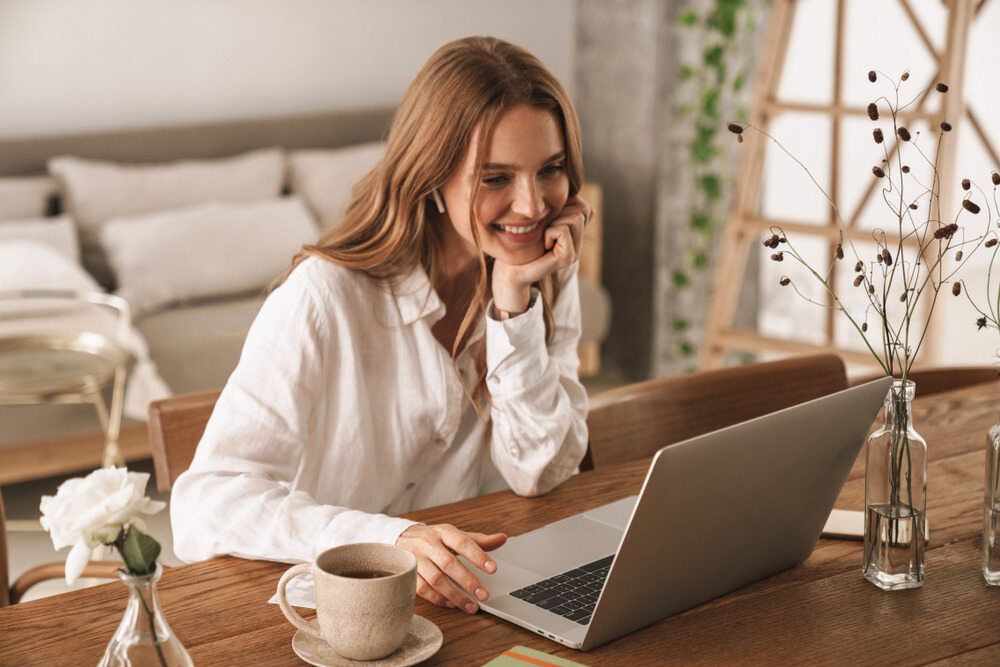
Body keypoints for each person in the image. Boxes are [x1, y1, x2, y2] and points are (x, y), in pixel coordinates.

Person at [170, 36, 592, 616]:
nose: (532, 206)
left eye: (551, 170)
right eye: (495, 178)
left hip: (468, 600)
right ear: (431, 175)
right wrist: (390, 539)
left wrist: (514, 311)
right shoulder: (325, 297)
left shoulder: (541, 275)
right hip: (324, 617)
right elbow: (204, 504)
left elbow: (540, 472)